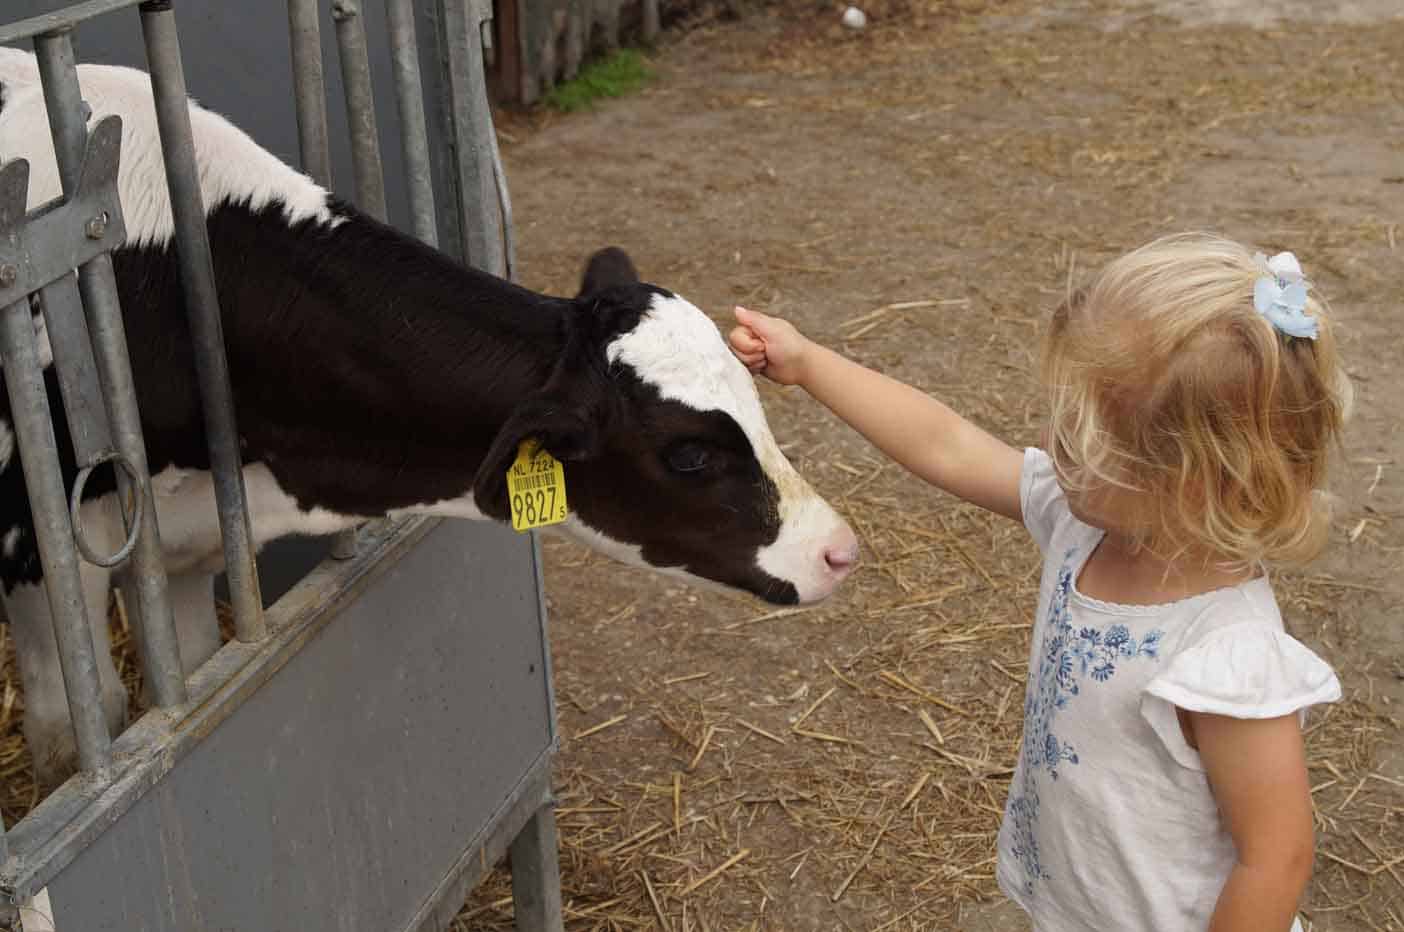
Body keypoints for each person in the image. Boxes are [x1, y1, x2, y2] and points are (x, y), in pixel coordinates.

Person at [728, 233, 1351, 931]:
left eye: (1086, 441)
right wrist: (811, 364)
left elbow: (1277, 857)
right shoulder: (1089, 523)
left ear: (1190, 481)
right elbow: (949, 444)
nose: (1056, 445)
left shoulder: (1226, 656)